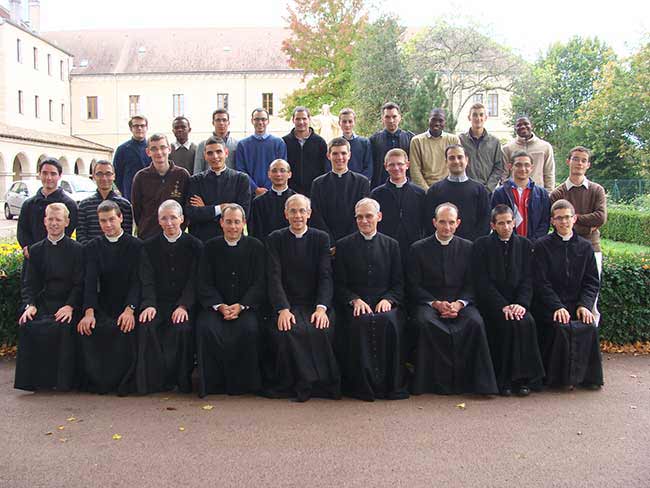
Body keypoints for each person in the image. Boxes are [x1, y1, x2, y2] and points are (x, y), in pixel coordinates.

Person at [407, 203, 497, 395]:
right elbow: (413, 285)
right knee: (425, 323)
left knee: (475, 322)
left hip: (461, 303)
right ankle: (431, 383)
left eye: (450, 222)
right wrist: (436, 303)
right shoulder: (418, 249)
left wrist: (459, 303)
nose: (446, 227)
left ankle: (475, 384)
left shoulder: (468, 248)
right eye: (442, 222)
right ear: (434, 223)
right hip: (429, 303)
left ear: (458, 223)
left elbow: (473, 283)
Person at [265, 194, 340, 402]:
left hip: (315, 302)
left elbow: (326, 276)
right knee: (288, 330)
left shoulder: (321, 238)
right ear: (286, 214)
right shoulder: (275, 239)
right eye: (293, 211)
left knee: (320, 328)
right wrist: (282, 309)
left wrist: (322, 308)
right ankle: (294, 383)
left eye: (302, 211)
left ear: (309, 213)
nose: (298, 215)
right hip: (287, 303)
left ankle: (320, 384)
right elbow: (274, 276)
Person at [334, 198, 408, 401]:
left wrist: (389, 299)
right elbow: (339, 284)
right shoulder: (344, 245)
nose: (364, 221)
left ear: (379, 217)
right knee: (360, 322)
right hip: (356, 303)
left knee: (388, 321)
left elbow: (399, 283)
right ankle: (361, 386)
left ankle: (389, 385)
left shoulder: (391, 245)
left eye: (369, 216)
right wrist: (354, 300)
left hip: (384, 302)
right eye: (360, 217)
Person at [472, 205, 545, 396]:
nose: (506, 227)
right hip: (493, 304)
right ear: (493, 225)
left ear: (514, 223)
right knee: (503, 324)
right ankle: (502, 380)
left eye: (509, 222)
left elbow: (528, 279)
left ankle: (522, 380)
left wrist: (520, 304)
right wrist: (502, 305)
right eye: (501, 223)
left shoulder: (525, 245)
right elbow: (482, 281)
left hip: (518, 303)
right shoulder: (481, 245)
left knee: (525, 322)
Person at [196, 204, 266, 397]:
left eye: (237, 222)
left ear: (244, 223)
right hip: (216, 307)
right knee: (206, 328)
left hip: (246, 307)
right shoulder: (210, 247)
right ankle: (212, 384)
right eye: (228, 222)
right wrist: (219, 305)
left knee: (250, 329)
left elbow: (260, 283)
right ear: (221, 223)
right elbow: (203, 282)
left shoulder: (256, 247)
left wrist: (242, 305)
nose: (233, 226)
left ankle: (244, 385)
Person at [533, 199, 603, 389]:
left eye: (567, 217)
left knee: (588, 325)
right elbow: (541, 283)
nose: (564, 222)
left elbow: (591, 281)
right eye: (559, 218)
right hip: (549, 305)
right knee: (561, 326)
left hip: (576, 303)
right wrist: (557, 306)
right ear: (552, 221)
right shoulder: (541, 246)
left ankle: (587, 378)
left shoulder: (585, 247)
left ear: (575, 219)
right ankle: (561, 380)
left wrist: (584, 305)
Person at [77, 201, 144, 395]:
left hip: (129, 304)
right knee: (91, 328)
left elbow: (138, 281)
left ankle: (125, 383)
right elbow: (90, 281)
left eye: (111, 219)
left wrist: (130, 309)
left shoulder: (136, 246)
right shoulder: (92, 247)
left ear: (121, 218)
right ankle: (100, 383)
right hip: (103, 303)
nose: (108, 225)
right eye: (103, 221)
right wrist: (89, 312)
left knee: (126, 328)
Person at [14, 203, 83, 392]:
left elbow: (80, 284)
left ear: (67, 222)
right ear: (44, 221)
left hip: (67, 303)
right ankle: (35, 381)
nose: (54, 223)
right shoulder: (35, 251)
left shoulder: (78, 250)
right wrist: (30, 304)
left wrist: (70, 305)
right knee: (28, 323)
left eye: (58, 219)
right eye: (50, 219)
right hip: (42, 303)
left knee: (64, 324)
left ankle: (62, 382)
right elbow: (29, 284)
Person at [137, 200, 202, 394]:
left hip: (183, 304)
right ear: (159, 221)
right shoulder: (148, 246)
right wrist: (149, 304)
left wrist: (183, 305)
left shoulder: (195, 245)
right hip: (158, 303)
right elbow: (146, 279)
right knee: (147, 325)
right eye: (164, 218)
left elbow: (195, 281)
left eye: (173, 217)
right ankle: (154, 381)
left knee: (182, 328)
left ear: (182, 219)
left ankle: (180, 381)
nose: (169, 222)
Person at [550, 146, 607, 324]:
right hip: (563, 249)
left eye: (583, 160)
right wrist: (586, 224)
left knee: (591, 303)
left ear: (588, 165)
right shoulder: (558, 193)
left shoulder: (597, 190)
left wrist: (572, 220)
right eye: (575, 159)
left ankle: (590, 342)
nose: (579, 163)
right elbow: (558, 224)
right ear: (569, 161)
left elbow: (601, 217)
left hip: (591, 247)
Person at [186, 137, 251, 242]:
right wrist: (220, 208)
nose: (215, 156)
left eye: (219, 152)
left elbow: (243, 213)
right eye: (210, 153)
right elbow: (192, 213)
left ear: (226, 153)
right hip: (202, 239)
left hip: (231, 239)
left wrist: (206, 209)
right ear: (205, 156)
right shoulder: (195, 180)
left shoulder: (241, 179)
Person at [370, 148, 425, 267]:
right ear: (385, 166)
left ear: (407, 165)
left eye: (400, 164)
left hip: (413, 245)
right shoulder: (377, 194)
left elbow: (424, 221)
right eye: (392, 165)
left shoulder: (419, 193)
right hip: (385, 246)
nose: (396, 168)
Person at [310, 137, 370, 246]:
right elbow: (316, 215)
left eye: (343, 153)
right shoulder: (318, 183)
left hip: (354, 242)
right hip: (327, 243)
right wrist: (330, 241)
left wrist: (348, 240)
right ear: (328, 156)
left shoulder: (362, 182)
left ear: (349, 155)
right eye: (335, 154)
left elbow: (363, 214)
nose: (340, 157)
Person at [423, 144, 490, 241]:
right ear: (446, 162)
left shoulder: (479, 190)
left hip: (472, 247)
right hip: (442, 246)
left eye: (460, 157)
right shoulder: (435, 190)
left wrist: (473, 243)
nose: (456, 161)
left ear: (466, 160)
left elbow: (485, 222)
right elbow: (429, 221)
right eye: (451, 158)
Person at [131, 133, 190, 240]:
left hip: (175, 237)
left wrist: (178, 228)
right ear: (148, 152)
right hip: (148, 237)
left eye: (163, 147)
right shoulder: (140, 177)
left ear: (169, 149)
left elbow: (187, 207)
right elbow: (137, 210)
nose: (159, 152)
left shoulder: (182, 175)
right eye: (154, 149)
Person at [17, 157, 78, 260]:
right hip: (33, 257)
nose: (48, 177)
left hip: (59, 256)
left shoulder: (70, 204)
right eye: (45, 173)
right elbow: (22, 230)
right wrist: (28, 248)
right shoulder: (29, 204)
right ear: (39, 174)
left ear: (59, 176)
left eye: (53, 174)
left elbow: (68, 231)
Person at [491, 150, 550, 241]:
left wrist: (535, 242)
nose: (523, 169)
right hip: (508, 244)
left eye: (527, 165)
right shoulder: (500, 193)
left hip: (535, 245)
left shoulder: (542, 194)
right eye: (518, 165)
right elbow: (496, 220)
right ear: (510, 166)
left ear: (531, 167)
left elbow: (545, 222)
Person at [77, 160, 133, 244]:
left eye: (108, 174)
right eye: (99, 174)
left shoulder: (124, 205)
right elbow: (81, 235)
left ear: (114, 176)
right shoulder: (84, 205)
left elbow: (127, 234)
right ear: (93, 176)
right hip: (92, 253)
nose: (104, 178)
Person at [235, 108, 287, 196]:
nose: (260, 122)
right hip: (250, 193)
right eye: (257, 119)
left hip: (273, 191)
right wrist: (255, 189)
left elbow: (282, 169)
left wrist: (270, 188)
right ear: (252, 121)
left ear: (268, 121)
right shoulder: (242, 145)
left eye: (263, 119)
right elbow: (241, 170)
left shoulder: (279, 143)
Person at [409, 108, 460, 191]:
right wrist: (428, 191)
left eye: (440, 120)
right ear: (428, 120)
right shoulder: (417, 141)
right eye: (433, 120)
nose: (436, 123)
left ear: (445, 122)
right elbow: (415, 171)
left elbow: (458, 166)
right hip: (424, 191)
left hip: (449, 189)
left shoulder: (453, 140)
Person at [282, 106, 329, 197]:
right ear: (293, 120)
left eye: (304, 118)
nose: (301, 122)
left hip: (314, 191)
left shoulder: (320, 142)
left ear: (309, 119)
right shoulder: (284, 142)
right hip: (290, 191)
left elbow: (325, 168)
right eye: (298, 119)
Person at [458, 103, 505, 192]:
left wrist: (488, 188)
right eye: (474, 115)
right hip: (465, 190)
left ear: (485, 118)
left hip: (488, 191)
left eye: (481, 115)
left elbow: (498, 167)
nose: (478, 118)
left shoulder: (494, 142)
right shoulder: (460, 140)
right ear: (469, 117)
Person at [502, 116, 555, 192]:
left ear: (532, 126)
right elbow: (504, 174)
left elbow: (549, 173)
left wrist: (549, 193)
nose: (523, 126)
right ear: (515, 128)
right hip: (514, 194)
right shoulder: (507, 149)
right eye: (519, 125)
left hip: (537, 194)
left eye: (526, 124)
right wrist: (505, 192)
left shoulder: (545, 147)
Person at [248, 159, 296, 243]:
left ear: (289, 174)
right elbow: (254, 232)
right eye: (274, 171)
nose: (278, 174)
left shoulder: (297, 201)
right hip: (266, 249)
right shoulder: (258, 202)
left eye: (282, 170)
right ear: (269, 174)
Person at [369, 102, 415, 189]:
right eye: (387, 117)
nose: (391, 120)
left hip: (406, 187)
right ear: (382, 119)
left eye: (394, 116)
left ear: (400, 117)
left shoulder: (410, 139)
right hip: (381, 187)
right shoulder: (374, 140)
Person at [113, 115, 151, 200]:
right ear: (131, 128)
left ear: (146, 128)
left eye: (142, 125)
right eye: (136, 126)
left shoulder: (153, 148)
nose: (139, 128)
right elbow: (117, 175)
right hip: (130, 195)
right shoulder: (122, 149)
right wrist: (125, 190)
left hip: (151, 193)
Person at [193, 109, 238, 173]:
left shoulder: (236, 144)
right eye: (218, 120)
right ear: (213, 123)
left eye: (224, 120)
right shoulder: (202, 145)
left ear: (229, 123)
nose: (221, 123)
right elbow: (197, 170)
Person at [338, 108, 373, 180]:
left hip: (359, 184)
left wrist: (361, 182)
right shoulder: (336, 144)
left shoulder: (364, 143)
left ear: (354, 122)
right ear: (339, 123)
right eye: (344, 121)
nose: (347, 125)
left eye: (350, 121)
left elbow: (368, 167)